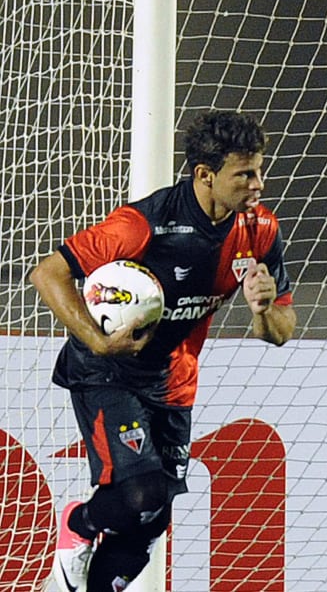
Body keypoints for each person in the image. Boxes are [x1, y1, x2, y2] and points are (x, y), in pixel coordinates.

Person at [32, 110, 296, 592]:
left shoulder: (260, 230)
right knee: (140, 492)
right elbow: (48, 273)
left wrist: (261, 308)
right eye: (245, 174)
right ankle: (79, 524)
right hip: (106, 369)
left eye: (260, 170)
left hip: (173, 381)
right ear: (205, 175)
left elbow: (280, 331)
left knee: (153, 519)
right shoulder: (141, 226)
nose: (258, 184)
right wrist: (97, 340)